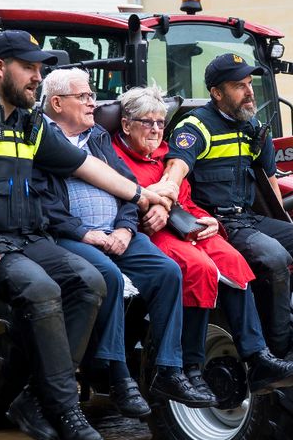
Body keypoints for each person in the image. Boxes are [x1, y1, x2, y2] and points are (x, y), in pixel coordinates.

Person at [0, 31, 167, 440]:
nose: (37, 78)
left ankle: (33, 397)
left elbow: (83, 165)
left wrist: (141, 195)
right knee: (43, 290)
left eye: (39, 69)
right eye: (29, 68)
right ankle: (63, 408)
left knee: (90, 281)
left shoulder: (29, 123)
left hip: (28, 237)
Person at [152, 53, 293, 387]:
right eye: (238, 86)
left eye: (249, 84)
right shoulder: (196, 126)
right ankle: (274, 354)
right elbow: (178, 165)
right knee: (274, 257)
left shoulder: (255, 128)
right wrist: (168, 187)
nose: (249, 92)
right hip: (214, 225)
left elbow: (270, 183)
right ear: (217, 93)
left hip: (249, 220)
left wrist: (289, 226)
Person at [111, 85, 293, 395]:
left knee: (234, 262)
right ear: (126, 124)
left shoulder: (167, 155)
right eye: (147, 122)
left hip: (186, 223)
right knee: (198, 268)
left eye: (160, 123)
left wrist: (210, 221)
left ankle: (258, 356)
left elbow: (187, 199)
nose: (155, 130)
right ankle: (191, 366)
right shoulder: (114, 157)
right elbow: (121, 203)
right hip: (151, 232)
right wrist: (158, 209)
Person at [39, 68, 216, 411]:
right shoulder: (41, 140)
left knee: (167, 273)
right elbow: (41, 202)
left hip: (118, 231)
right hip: (70, 235)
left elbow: (127, 190)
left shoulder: (97, 138)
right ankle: (119, 378)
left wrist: (124, 228)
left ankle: (168, 369)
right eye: (84, 97)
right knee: (108, 277)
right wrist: (84, 233)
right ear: (57, 103)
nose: (93, 103)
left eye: (92, 96)